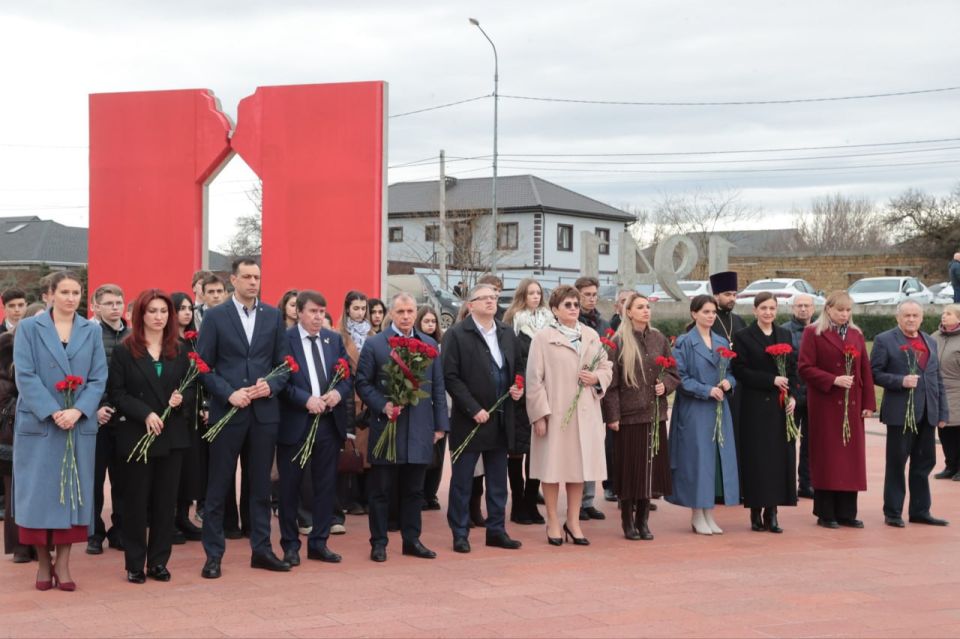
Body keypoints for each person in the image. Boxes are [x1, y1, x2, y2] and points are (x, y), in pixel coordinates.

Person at [196, 258, 292, 579]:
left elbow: (284, 364)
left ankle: (262, 550)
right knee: (218, 486)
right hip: (228, 412)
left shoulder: (273, 316)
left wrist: (271, 384)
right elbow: (202, 366)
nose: (253, 282)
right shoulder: (215, 316)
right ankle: (213, 556)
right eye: (247, 277)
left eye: (257, 277)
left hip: (264, 415)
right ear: (233, 280)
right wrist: (228, 394)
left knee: (260, 487)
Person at [13, 270, 108, 591]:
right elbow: (25, 375)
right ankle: (43, 563)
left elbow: (98, 377)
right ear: (50, 295)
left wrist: (78, 410)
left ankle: (64, 563)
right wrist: (53, 411)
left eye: (76, 292)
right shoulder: (29, 328)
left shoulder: (91, 331)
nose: (71, 298)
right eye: (64, 292)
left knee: (73, 493)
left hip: (77, 423)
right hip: (40, 422)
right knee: (38, 495)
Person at [356, 293, 448, 561]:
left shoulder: (429, 344)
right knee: (381, 491)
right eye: (401, 312)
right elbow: (362, 383)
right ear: (391, 314)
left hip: (419, 428)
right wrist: (382, 405)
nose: (406, 316)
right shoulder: (375, 344)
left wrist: (440, 425)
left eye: (410, 311)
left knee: (414, 490)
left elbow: (438, 387)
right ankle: (379, 542)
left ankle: (412, 540)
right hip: (387, 427)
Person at [109, 290, 193, 583]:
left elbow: (192, 388)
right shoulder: (124, 350)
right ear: (140, 315)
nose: (159, 317)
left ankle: (158, 562)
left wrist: (180, 400)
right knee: (135, 502)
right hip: (137, 435)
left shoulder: (179, 349)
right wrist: (145, 413)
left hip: (171, 436)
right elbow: (117, 393)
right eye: (152, 311)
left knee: (165, 503)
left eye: (164, 311)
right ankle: (134, 563)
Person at [526, 285, 612, 546]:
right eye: (568, 305)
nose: (574, 308)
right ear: (555, 309)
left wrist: (596, 377)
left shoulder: (591, 335)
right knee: (551, 469)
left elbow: (606, 366)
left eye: (576, 304)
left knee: (578, 470)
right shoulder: (543, 338)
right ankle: (553, 520)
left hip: (585, 415)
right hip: (555, 414)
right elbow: (534, 380)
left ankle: (573, 521)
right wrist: (539, 415)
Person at [443, 284, 525, 553]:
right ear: (471, 305)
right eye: (484, 298)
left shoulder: (506, 332)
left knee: (498, 481)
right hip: (470, 420)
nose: (491, 302)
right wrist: (472, 408)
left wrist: (518, 386)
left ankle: (497, 531)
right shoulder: (457, 334)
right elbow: (450, 377)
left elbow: (518, 367)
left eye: (494, 297)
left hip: (501, 418)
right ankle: (459, 533)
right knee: (463, 481)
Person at [278, 291, 352, 566]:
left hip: (328, 423)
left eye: (322, 312)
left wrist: (338, 393)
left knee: (325, 485)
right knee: (290, 488)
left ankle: (319, 543)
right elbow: (279, 381)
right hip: (296, 422)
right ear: (299, 312)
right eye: (313, 311)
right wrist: (305, 399)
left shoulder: (333, 339)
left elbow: (347, 376)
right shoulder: (284, 340)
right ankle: (290, 545)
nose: (318, 317)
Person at [602, 293, 679, 540]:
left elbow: (673, 371)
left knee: (650, 469)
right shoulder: (618, 342)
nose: (646, 310)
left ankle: (643, 521)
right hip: (629, 416)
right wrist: (613, 416)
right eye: (640, 307)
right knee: (630, 470)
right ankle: (627, 520)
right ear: (628, 312)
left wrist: (665, 385)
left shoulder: (659, 338)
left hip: (654, 414)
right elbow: (611, 385)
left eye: (647, 307)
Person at [798, 291, 876, 529]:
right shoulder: (813, 332)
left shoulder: (856, 334)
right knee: (828, 458)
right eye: (840, 310)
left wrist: (869, 404)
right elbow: (804, 367)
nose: (844, 314)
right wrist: (832, 380)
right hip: (825, 405)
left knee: (850, 460)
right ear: (828, 309)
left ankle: (847, 512)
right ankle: (826, 512)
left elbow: (865, 370)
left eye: (848, 310)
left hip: (852, 406)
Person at [871, 300, 950, 527]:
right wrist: (900, 381)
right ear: (898, 317)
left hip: (927, 413)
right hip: (900, 414)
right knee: (897, 464)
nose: (911, 319)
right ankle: (893, 512)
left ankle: (920, 511)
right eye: (906, 315)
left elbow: (937, 378)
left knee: (924, 464)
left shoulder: (930, 341)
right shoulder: (884, 340)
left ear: (922, 318)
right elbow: (874, 373)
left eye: (915, 315)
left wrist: (943, 411)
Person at [666, 294, 739, 535]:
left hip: (719, 408)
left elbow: (731, 372)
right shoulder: (684, 342)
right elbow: (680, 378)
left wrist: (728, 383)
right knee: (697, 461)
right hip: (695, 410)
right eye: (706, 312)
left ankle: (709, 512)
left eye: (713, 312)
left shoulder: (721, 341)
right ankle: (697, 513)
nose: (710, 316)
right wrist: (706, 390)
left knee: (716, 460)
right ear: (694, 313)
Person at [732, 292, 798, 533]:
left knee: (778, 460)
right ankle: (755, 510)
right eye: (763, 308)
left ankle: (773, 512)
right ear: (755, 311)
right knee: (758, 459)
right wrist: (771, 380)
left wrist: (793, 396)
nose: (768, 312)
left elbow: (793, 369)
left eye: (772, 308)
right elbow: (740, 370)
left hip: (780, 408)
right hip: (755, 406)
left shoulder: (785, 334)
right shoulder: (743, 336)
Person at [503, 278, 551, 525]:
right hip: (518, 395)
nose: (535, 296)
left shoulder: (550, 321)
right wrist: (517, 384)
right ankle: (518, 504)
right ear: (522, 295)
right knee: (516, 452)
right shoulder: (512, 320)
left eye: (538, 293)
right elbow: (508, 357)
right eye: (531, 293)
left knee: (537, 452)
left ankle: (532, 503)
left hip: (542, 393)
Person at [88, 283, 130, 555]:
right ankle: (94, 533)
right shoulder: (88, 334)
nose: (115, 308)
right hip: (96, 419)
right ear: (96, 306)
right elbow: (83, 377)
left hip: (125, 418)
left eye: (118, 303)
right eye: (109, 303)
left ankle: (120, 531)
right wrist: (95, 409)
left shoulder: (133, 335)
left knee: (123, 480)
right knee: (94, 480)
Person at [573, 276, 610, 520]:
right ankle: (575, 503)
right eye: (586, 294)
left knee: (593, 448)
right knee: (576, 450)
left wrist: (599, 378)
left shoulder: (602, 323)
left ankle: (588, 500)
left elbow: (607, 358)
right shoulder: (571, 322)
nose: (591, 298)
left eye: (594, 294)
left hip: (595, 390)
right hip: (575, 390)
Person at [169, 292, 204, 542]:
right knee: (172, 470)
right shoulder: (167, 342)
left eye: (189, 308)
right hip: (173, 412)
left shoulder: (195, 341)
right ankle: (168, 519)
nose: (186, 313)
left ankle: (183, 516)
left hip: (193, 413)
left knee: (190, 468)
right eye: (180, 308)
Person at [336, 291, 373, 514]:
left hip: (369, 399)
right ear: (347, 309)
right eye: (356, 308)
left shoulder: (373, 333)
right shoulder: (339, 335)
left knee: (367, 451)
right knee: (351, 449)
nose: (360, 313)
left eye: (363, 308)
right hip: (350, 398)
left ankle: (366, 496)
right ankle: (350, 499)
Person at [2, 330, 34, 564]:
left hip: (34, 433)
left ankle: (36, 545)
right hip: (11, 437)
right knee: (15, 493)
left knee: (35, 492)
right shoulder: (8, 346)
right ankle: (21, 547)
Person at [781, 294, 816, 498]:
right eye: (799, 306)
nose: (803, 309)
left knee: (811, 443)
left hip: (815, 396)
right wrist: (789, 393)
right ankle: (786, 484)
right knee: (787, 442)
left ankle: (807, 483)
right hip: (791, 396)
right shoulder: (783, 331)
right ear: (793, 308)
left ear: (813, 308)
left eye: (807, 306)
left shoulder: (821, 330)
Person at [416, 306, 446, 511]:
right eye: (426, 321)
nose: (430, 325)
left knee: (438, 453)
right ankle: (419, 493)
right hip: (423, 404)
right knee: (424, 452)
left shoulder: (441, 345)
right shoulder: (417, 344)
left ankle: (431, 493)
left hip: (440, 404)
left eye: (433, 322)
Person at [932, 304, 960, 480]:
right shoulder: (934, 336)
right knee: (944, 430)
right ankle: (951, 465)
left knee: (957, 429)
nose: (944, 316)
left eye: (949, 313)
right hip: (938, 391)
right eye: (943, 313)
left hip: (957, 390)